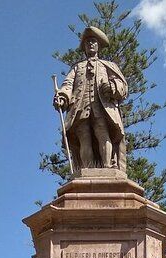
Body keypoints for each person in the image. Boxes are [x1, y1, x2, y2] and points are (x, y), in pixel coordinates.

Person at [53, 26, 128, 171]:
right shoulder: (77, 68)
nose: (90, 44)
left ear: (98, 45)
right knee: (84, 138)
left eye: (93, 41)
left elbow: (122, 86)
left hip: (102, 107)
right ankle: (86, 170)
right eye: (87, 42)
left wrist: (112, 87)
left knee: (102, 133)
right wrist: (62, 97)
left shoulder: (108, 66)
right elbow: (68, 85)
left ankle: (107, 168)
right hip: (80, 107)